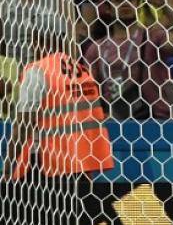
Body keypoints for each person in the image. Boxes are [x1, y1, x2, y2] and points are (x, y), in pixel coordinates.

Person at [3, 13, 113, 181]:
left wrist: (8, 167)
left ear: (37, 39)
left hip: (46, 165)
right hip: (80, 163)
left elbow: (23, 125)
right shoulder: (82, 71)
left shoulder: (38, 71)